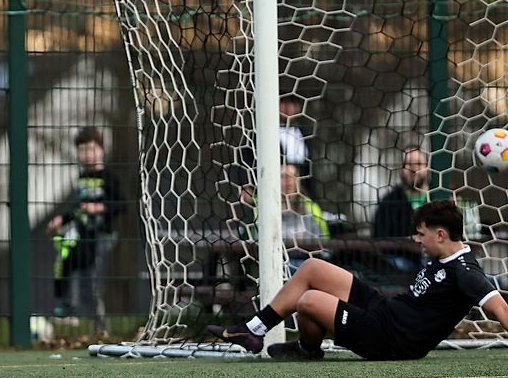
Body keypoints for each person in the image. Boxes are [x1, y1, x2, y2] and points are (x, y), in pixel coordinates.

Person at [208, 199, 508, 360]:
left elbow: (501, 309)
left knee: (309, 301)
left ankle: (307, 349)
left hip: (391, 341)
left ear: (440, 235)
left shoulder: (466, 273)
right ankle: (254, 329)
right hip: (386, 312)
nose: (416, 239)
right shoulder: (443, 257)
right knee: (312, 268)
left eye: (421, 234)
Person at [47, 126, 125, 334]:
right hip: (83, 236)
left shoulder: (108, 176)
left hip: (102, 235)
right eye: (82, 150)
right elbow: (77, 208)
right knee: (69, 267)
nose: (87, 154)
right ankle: (68, 308)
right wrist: (62, 219)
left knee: (92, 282)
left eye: (91, 149)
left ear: (101, 150)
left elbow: (121, 204)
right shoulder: (82, 177)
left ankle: (100, 328)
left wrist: (98, 208)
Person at [372, 146, 429, 273]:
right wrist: (407, 243)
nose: (413, 169)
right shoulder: (389, 201)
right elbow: (379, 238)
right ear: (401, 169)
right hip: (401, 262)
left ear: (427, 167)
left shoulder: (438, 197)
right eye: (408, 164)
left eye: (418, 163)